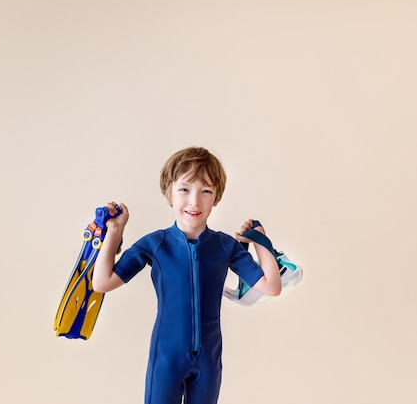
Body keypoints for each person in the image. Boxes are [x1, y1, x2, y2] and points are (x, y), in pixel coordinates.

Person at [93, 146, 282, 404]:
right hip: (166, 359)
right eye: (184, 189)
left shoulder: (225, 246)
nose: (195, 201)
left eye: (206, 191)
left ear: (216, 198)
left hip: (209, 361)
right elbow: (102, 282)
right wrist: (115, 230)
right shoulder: (155, 244)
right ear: (169, 193)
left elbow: (272, 286)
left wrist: (259, 240)